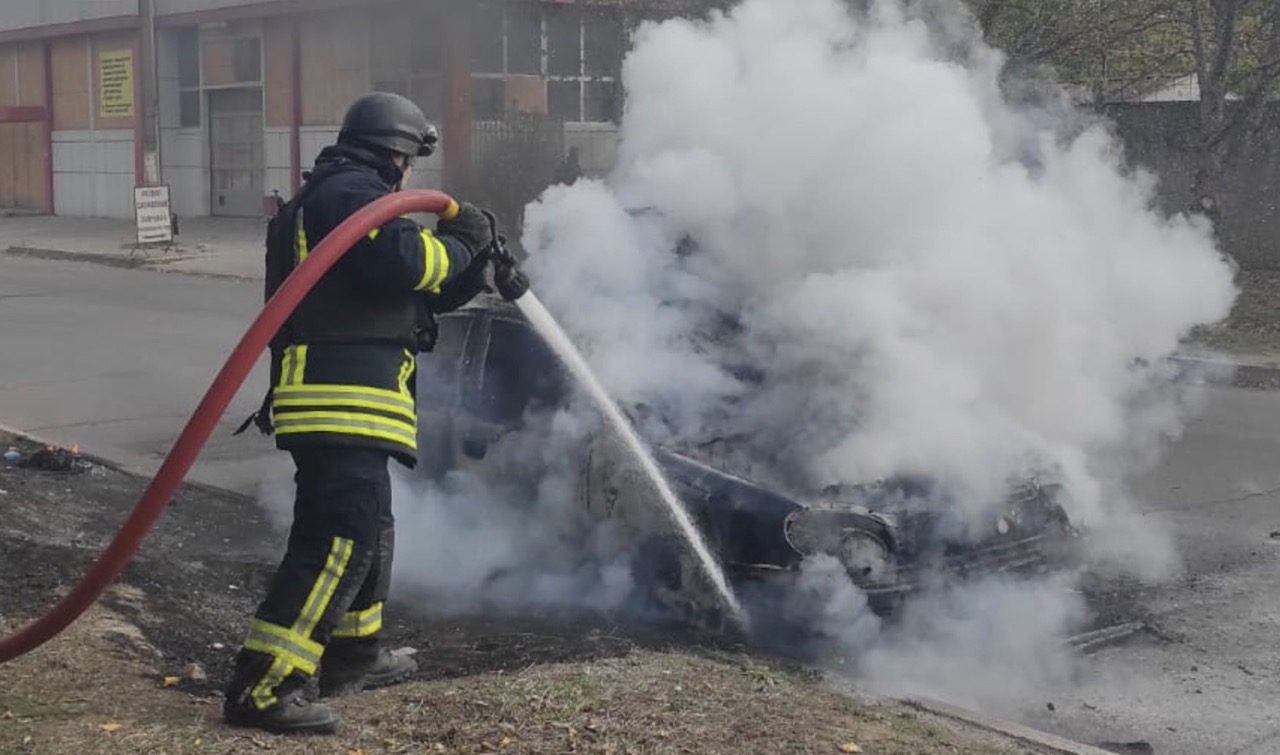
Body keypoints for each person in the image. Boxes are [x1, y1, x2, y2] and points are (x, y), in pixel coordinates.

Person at [223, 91, 529, 735]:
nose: (411, 177)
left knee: (371, 531)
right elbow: (410, 262)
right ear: (396, 155)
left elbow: (420, 294)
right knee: (336, 541)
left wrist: (475, 265)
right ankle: (264, 686)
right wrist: (462, 236)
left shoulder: (343, 197)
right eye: (411, 161)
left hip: (352, 404)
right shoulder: (347, 194)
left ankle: (350, 654)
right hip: (337, 401)